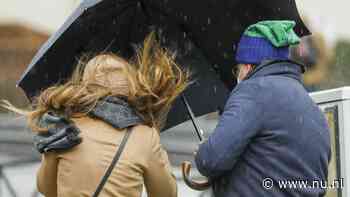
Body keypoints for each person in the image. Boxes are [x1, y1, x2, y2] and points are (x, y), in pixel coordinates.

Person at [2, 33, 190, 197]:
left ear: (86, 85)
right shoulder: (145, 135)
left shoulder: (65, 128)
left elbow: (46, 189)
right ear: (131, 86)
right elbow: (165, 194)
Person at [195, 21, 331, 196]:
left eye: (238, 69)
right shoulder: (312, 107)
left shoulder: (253, 91)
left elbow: (212, 160)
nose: (237, 76)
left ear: (248, 66)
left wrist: (203, 150)